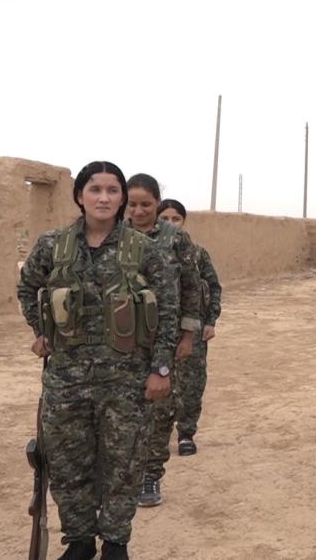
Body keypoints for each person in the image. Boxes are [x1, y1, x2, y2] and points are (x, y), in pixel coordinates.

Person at [17, 161, 178, 560]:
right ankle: (80, 540)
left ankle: (116, 542)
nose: (103, 197)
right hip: (66, 380)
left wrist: (160, 368)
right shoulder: (53, 245)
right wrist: (41, 330)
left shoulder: (145, 249)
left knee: (123, 465)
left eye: (112, 190)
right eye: (94, 189)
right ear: (79, 196)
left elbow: (169, 311)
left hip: (126, 380)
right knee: (70, 465)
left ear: (122, 198)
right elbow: (27, 287)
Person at [126, 174, 203, 508]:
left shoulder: (175, 239)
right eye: (132, 204)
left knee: (160, 410)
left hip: (165, 336)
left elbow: (191, 288)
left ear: (158, 203)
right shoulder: (114, 235)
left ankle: (150, 475)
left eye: (146, 204)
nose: (139, 210)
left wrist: (188, 335)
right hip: (121, 339)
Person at [156, 198, 222, 457]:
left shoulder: (197, 253)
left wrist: (210, 321)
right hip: (157, 330)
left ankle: (186, 433)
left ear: (184, 222)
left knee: (192, 382)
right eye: (164, 219)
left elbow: (213, 287)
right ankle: (156, 435)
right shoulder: (147, 250)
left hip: (192, 329)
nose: (170, 224)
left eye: (176, 219)